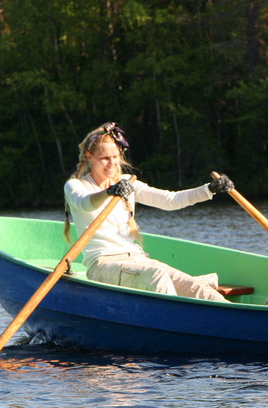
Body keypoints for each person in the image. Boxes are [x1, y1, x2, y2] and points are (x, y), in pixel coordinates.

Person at [63, 122, 234, 302]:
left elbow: (170, 201)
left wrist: (209, 189)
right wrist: (109, 192)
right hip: (103, 265)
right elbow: (85, 203)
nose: (112, 163)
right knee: (157, 275)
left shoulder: (127, 182)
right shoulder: (75, 185)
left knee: (194, 286)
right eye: (104, 158)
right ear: (89, 157)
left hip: (138, 260)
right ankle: (176, 320)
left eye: (115, 156)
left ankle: (237, 318)